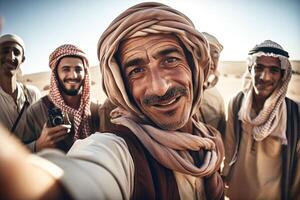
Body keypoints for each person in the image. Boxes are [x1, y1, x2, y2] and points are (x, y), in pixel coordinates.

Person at [0, 2, 224, 200]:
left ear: (195, 68)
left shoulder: (208, 141)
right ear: (122, 87)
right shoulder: (119, 150)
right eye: (137, 70)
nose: (159, 87)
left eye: (170, 60)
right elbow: (91, 172)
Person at [99, 32, 226, 135]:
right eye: (137, 70)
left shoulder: (216, 97)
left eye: (215, 55)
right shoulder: (116, 107)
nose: (160, 89)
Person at [222, 40, 299, 200]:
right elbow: (229, 148)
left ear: (282, 75)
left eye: (273, 70)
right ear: (250, 69)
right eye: (259, 68)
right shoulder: (236, 103)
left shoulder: (294, 114)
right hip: (237, 192)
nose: (264, 77)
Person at [22, 44, 100, 152]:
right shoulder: (36, 111)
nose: (73, 75)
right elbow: (19, 154)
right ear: (56, 74)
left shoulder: (95, 108)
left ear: (85, 72)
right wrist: (37, 145)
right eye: (66, 69)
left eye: (78, 69)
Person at [0, 34, 41, 137]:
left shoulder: (33, 94)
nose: (11, 57)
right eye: (5, 51)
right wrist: (35, 146)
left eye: (16, 53)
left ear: (22, 59)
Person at [199, 32, 226, 135]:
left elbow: (221, 134)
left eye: (215, 55)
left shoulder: (216, 98)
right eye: (203, 53)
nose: (210, 61)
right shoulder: (176, 92)